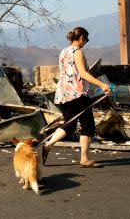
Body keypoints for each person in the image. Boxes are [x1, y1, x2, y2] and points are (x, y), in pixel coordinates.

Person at [42, 27, 111, 168]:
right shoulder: (77, 52)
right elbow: (83, 74)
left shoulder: (64, 51)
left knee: (70, 123)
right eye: (86, 39)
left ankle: (48, 143)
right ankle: (84, 159)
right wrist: (101, 85)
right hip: (77, 93)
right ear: (81, 38)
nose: (86, 42)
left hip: (63, 93)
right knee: (88, 125)